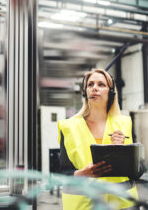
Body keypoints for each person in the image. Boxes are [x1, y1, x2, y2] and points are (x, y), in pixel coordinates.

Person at [58, 68, 139, 210]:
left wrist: (123, 149)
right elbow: (63, 172)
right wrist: (82, 173)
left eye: (101, 84)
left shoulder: (124, 124)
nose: (94, 88)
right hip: (83, 204)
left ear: (111, 92)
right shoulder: (69, 126)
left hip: (121, 203)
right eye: (90, 85)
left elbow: (139, 168)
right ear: (85, 92)